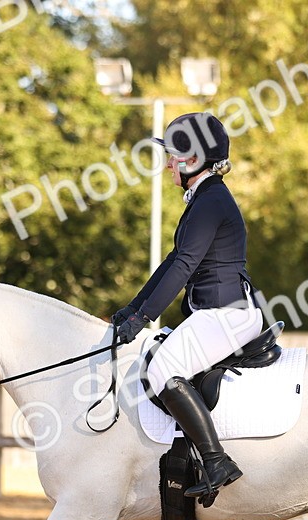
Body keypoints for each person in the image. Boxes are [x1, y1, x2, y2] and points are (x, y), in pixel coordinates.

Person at [111, 112, 264, 498]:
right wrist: (134, 308)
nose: (167, 165)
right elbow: (173, 260)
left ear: (193, 160)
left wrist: (144, 317)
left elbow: (184, 266)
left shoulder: (211, 201)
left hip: (227, 314)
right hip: (216, 312)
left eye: (173, 157)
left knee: (163, 369)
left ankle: (216, 461)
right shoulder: (204, 198)